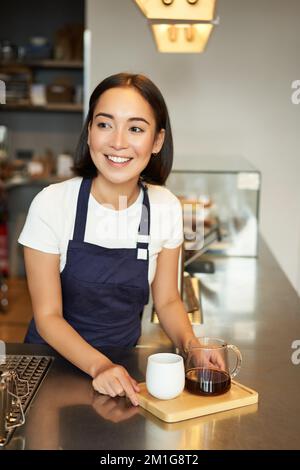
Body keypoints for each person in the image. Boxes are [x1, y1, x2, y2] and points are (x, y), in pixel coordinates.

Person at [18, 72, 201, 407]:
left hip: (123, 371)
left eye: (135, 128)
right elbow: (47, 317)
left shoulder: (164, 207)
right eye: (104, 124)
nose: (118, 141)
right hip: (51, 368)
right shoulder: (52, 203)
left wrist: (193, 346)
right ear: (89, 131)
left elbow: (168, 301)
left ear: (157, 141)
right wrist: (99, 365)